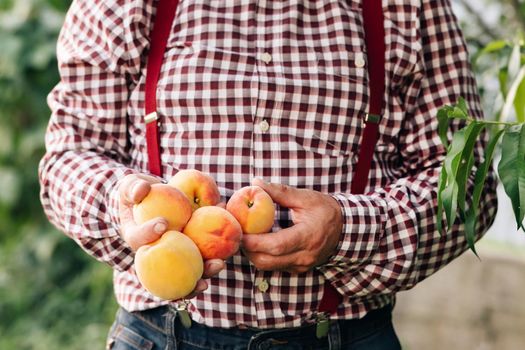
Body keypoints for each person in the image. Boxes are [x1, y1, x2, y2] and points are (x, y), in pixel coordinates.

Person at [39, 0, 498, 349]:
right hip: (163, 334)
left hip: (344, 334)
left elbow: (468, 185)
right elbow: (70, 154)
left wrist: (348, 232)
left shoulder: (405, 6)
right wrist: (119, 204)